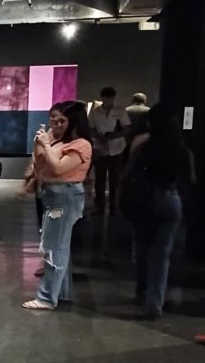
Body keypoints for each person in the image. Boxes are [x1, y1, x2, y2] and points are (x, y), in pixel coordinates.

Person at [120, 104, 195, 319]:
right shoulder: (183, 150)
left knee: (142, 249)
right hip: (171, 200)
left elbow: (127, 175)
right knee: (162, 255)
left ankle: (142, 290)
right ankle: (155, 302)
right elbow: (190, 180)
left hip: (144, 200)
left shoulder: (143, 147)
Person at [22, 102, 93, 310]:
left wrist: (46, 144)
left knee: (55, 248)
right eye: (54, 118)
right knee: (59, 247)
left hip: (64, 197)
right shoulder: (58, 140)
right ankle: (61, 292)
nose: (57, 123)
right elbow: (40, 164)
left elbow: (58, 168)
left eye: (63, 120)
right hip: (52, 196)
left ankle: (46, 297)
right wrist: (40, 144)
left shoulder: (81, 144)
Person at [88, 87, 130, 215]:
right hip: (100, 148)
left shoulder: (120, 111)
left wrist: (114, 136)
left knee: (115, 179)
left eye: (110, 99)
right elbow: (90, 128)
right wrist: (99, 137)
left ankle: (114, 206)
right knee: (100, 179)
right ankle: (99, 206)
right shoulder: (95, 112)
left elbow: (126, 128)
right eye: (105, 99)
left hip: (117, 148)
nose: (107, 101)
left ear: (113, 98)